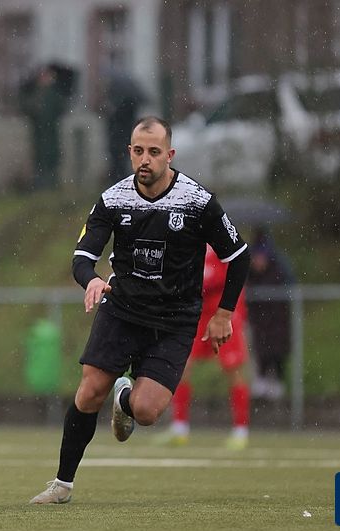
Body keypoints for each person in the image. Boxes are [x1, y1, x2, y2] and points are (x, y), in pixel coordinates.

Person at [29, 116, 249, 505]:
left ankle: (126, 399)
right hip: (123, 309)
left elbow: (239, 255)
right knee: (89, 391)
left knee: (146, 412)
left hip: (175, 319)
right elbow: (82, 257)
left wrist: (223, 314)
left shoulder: (197, 202)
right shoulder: (113, 199)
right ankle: (62, 484)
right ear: (129, 152)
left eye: (154, 152)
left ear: (170, 155)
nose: (145, 159)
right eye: (138, 151)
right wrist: (91, 280)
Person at [155, 246, 251, 450]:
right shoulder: (191, 239)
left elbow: (230, 272)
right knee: (182, 366)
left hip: (223, 313)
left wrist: (194, 280)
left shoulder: (221, 237)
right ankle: (180, 428)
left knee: (233, 370)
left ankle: (241, 431)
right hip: (199, 314)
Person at [246, 227, 295, 400]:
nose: (258, 262)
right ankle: (261, 381)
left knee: (277, 351)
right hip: (259, 321)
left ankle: (278, 382)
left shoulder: (279, 268)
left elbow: (289, 287)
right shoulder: (250, 273)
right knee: (260, 350)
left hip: (277, 319)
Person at [18, 63, 75, 190]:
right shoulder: (36, 92)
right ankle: (41, 184)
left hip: (51, 132)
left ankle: (52, 183)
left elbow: (62, 107)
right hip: (39, 133)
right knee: (40, 157)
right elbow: (28, 107)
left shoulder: (54, 93)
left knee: (52, 157)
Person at [103, 67, 145, 184]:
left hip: (118, 139)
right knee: (121, 162)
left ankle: (118, 181)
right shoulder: (131, 102)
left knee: (118, 163)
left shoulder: (120, 105)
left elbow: (116, 122)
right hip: (124, 138)